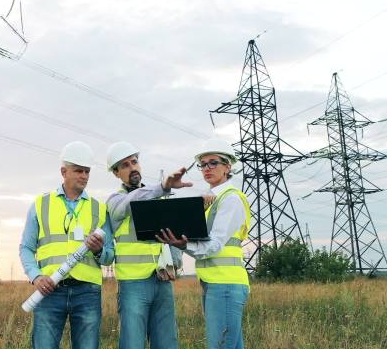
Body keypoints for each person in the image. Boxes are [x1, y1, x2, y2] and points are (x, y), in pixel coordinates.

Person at [19, 141, 115, 349]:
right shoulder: (41, 204)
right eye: (78, 171)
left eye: (87, 171)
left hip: (87, 292)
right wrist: (36, 276)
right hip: (49, 291)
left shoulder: (99, 208)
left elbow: (110, 256)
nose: (84, 176)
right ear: (64, 171)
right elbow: (26, 248)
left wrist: (99, 250)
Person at [157, 139, 251, 349]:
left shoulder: (231, 199)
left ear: (228, 167)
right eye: (203, 164)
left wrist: (183, 246)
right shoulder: (213, 201)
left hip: (225, 284)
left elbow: (215, 244)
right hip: (215, 283)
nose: (207, 168)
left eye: (213, 163)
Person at [105, 141, 194, 349]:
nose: (132, 167)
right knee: (132, 344)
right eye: (125, 165)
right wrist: (163, 187)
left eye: (134, 162)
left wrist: (175, 261)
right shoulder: (115, 201)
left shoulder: (157, 196)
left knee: (167, 343)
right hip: (133, 284)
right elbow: (133, 201)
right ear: (116, 173)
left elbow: (169, 234)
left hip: (162, 281)